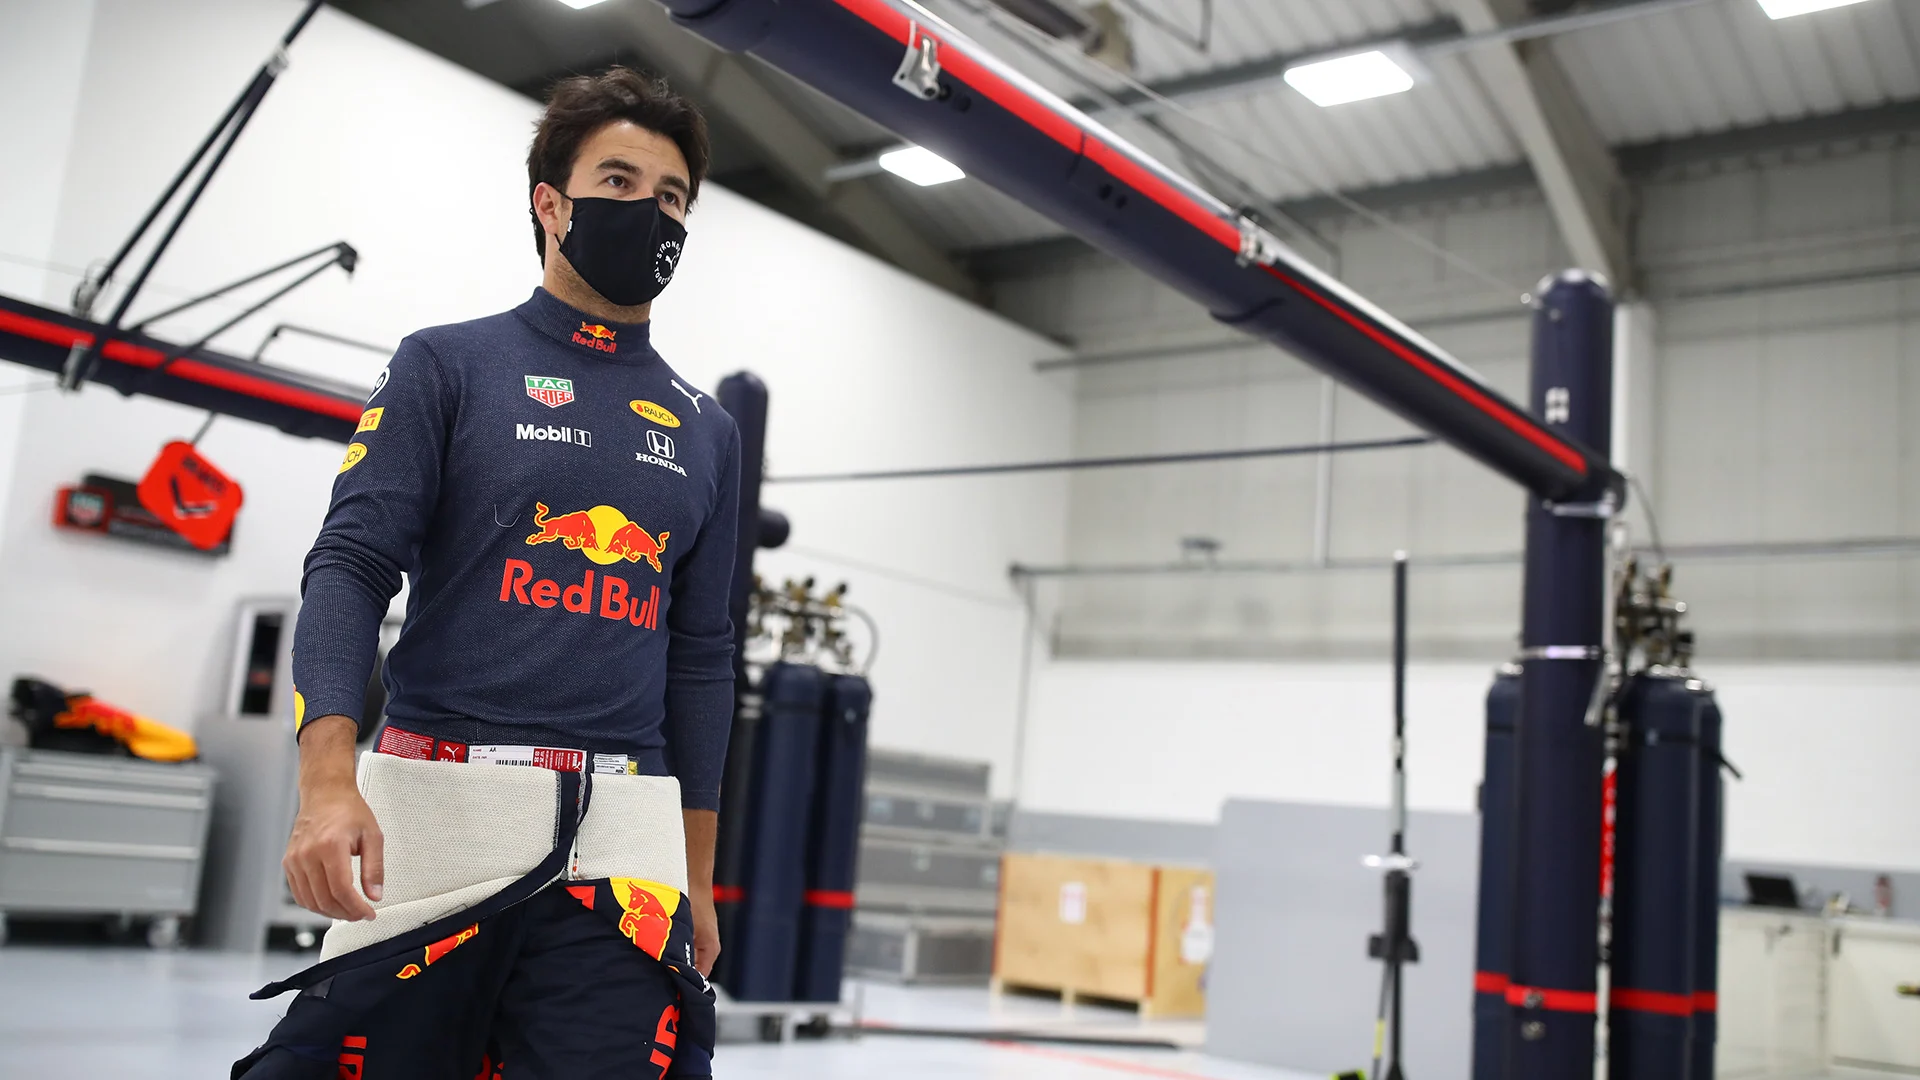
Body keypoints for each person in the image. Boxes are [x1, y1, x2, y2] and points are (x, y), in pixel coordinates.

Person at [252, 68, 739, 1079]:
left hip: (623, 855)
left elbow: (701, 659)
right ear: (549, 204)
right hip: (437, 826)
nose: (647, 209)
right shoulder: (446, 365)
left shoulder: (708, 431)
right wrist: (326, 781)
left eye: (672, 196)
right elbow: (348, 567)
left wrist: (697, 875)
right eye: (617, 180)